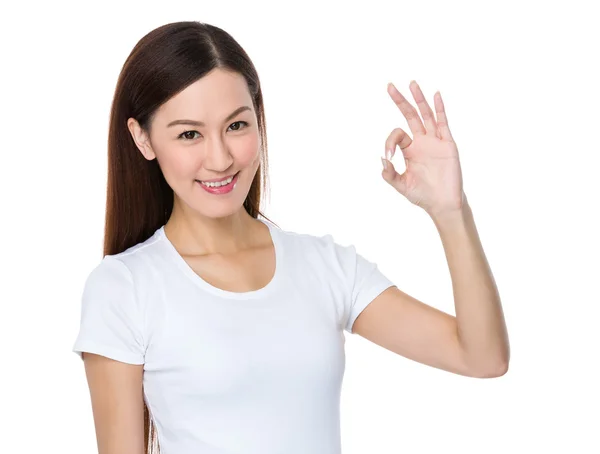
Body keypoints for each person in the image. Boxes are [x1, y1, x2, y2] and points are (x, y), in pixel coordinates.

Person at [72, 20, 510, 454]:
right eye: (190, 134)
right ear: (142, 138)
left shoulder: (324, 266)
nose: (220, 158)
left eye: (237, 126)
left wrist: (451, 212)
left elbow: (482, 357)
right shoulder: (125, 288)